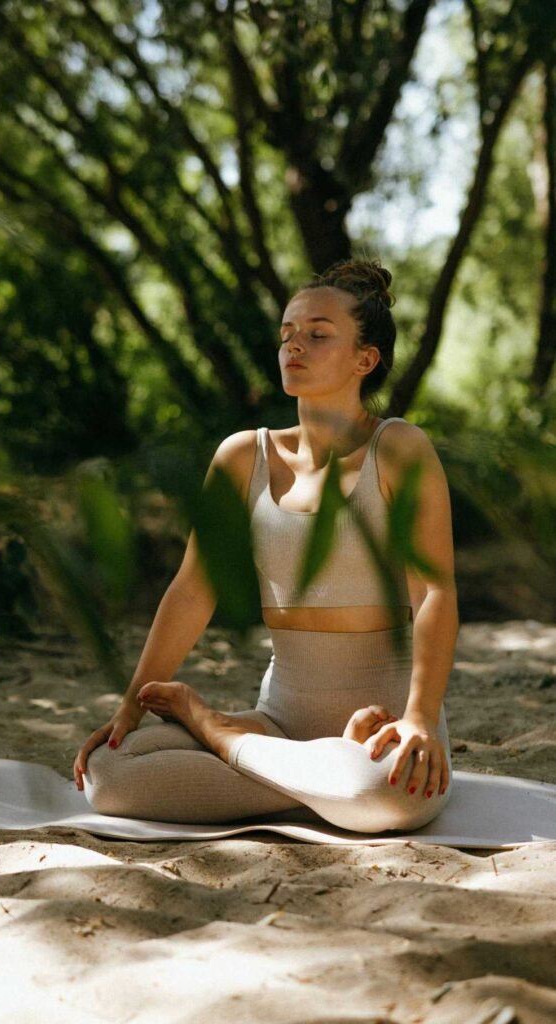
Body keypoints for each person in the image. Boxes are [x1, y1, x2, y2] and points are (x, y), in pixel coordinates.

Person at [73, 258, 458, 832]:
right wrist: (131, 700)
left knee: (386, 794)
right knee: (108, 772)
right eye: (287, 334)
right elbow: (193, 589)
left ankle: (216, 730)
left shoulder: (399, 448)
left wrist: (420, 719)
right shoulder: (241, 457)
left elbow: (436, 591)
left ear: (365, 359)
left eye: (317, 334)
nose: (293, 346)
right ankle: (314, 778)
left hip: (386, 720)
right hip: (278, 720)